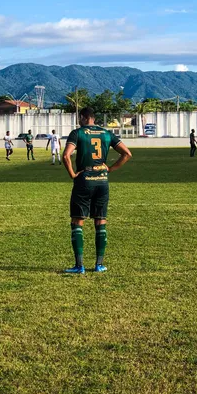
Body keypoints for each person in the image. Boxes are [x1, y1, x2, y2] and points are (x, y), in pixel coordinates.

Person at [62, 107, 132, 274]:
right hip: (102, 182)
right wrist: (110, 169)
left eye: (80, 118)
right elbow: (127, 154)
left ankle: (79, 266)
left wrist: (73, 174)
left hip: (84, 180)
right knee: (100, 221)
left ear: (85, 118)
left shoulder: (77, 133)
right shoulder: (106, 133)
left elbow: (66, 156)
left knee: (77, 221)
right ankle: (99, 265)